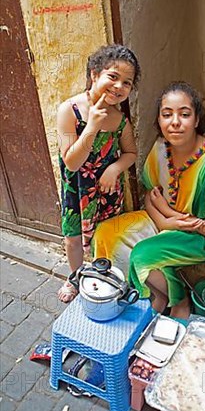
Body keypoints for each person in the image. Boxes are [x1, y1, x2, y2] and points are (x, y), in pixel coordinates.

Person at [93, 81, 205, 320]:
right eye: (167, 114)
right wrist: (167, 221)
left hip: (200, 235)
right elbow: (149, 196)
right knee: (105, 233)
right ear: (159, 120)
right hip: (164, 219)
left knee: (142, 255)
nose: (175, 122)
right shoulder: (160, 148)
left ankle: (178, 299)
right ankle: (126, 289)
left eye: (184, 114)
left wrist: (172, 218)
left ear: (197, 120)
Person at [57, 44, 139, 302]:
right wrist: (91, 126)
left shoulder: (120, 120)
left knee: (104, 235)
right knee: (73, 239)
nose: (118, 87)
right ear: (94, 74)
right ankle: (75, 277)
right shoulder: (69, 111)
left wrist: (115, 168)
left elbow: (131, 153)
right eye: (112, 77)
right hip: (77, 190)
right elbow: (71, 162)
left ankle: (102, 275)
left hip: (106, 190)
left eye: (127, 82)